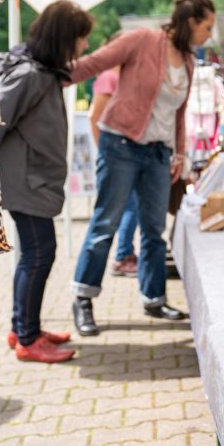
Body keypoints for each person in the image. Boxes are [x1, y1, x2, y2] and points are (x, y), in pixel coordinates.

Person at [69, 0, 215, 336]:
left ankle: (153, 297)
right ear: (191, 22)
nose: (211, 34)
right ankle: (83, 298)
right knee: (107, 223)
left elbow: (179, 113)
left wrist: (178, 152)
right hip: (120, 144)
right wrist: (53, 73)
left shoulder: (189, 60)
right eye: (207, 27)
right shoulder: (142, 40)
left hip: (158, 154)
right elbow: (95, 63)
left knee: (153, 230)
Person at [0, 0, 94, 362]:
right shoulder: (31, 76)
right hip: (27, 184)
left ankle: (24, 327)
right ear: (64, 38)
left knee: (34, 256)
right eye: (80, 39)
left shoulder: (42, 72)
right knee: (39, 255)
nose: (83, 46)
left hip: (32, 181)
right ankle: (26, 338)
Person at [87, 37, 139, 277]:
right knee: (124, 208)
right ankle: (123, 256)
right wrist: (105, 150)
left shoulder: (120, 76)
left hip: (124, 154)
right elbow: (94, 117)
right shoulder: (110, 77)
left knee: (129, 206)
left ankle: (124, 254)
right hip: (115, 155)